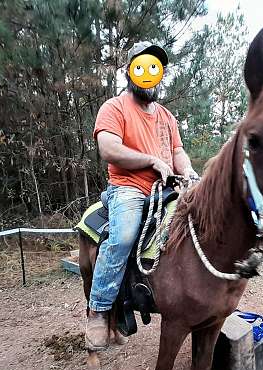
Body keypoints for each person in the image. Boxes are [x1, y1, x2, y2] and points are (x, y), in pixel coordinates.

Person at [85, 42, 198, 350]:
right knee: (122, 238)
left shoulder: (166, 116)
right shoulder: (114, 107)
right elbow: (108, 149)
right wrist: (150, 160)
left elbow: (178, 152)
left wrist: (187, 172)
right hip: (128, 188)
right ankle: (98, 309)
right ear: (130, 72)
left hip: (167, 189)